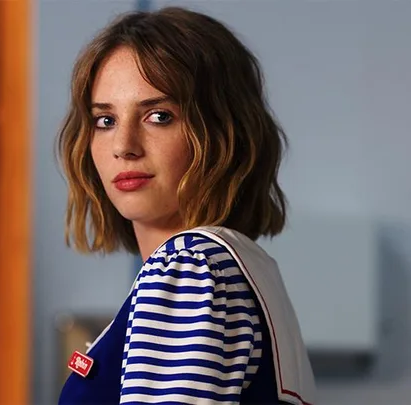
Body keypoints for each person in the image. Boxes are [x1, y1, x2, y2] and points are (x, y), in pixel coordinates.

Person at [56, 6, 316, 405]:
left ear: (222, 131)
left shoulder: (190, 265)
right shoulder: (241, 266)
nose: (123, 146)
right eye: (105, 120)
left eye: (159, 116)